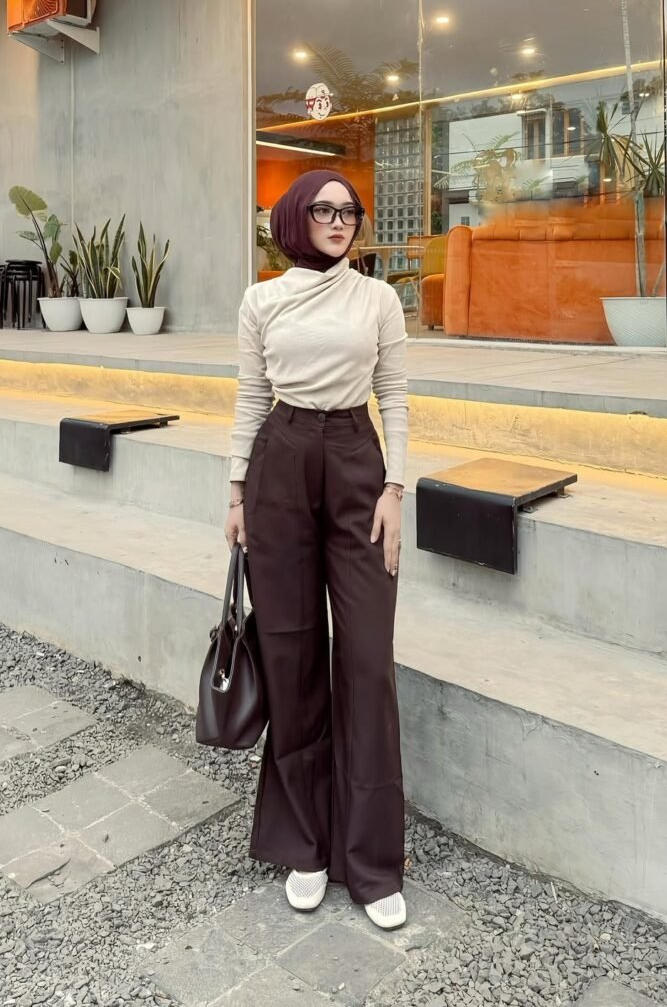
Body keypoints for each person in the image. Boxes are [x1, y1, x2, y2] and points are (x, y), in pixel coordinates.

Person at [225, 169, 409, 931]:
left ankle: (370, 861)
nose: (339, 220)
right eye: (324, 209)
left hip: (357, 461)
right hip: (280, 457)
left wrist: (396, 487)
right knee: (292, 653)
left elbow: (394, 392)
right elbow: (250, 396)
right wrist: (236, 490)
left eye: (349, 211)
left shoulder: (377, 297)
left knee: (365, 658)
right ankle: (304, 843)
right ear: (295, 217)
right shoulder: (262, 299)